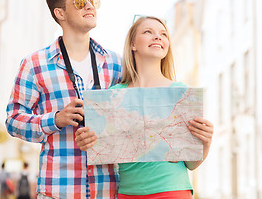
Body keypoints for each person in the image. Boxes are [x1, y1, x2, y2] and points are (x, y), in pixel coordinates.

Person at [6, 0, 122, 199]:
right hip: (57, 191)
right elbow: (13, 120)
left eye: (92, 1)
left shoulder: (116, 63)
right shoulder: (34, 64)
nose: (89, 6)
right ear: (60, 13)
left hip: (108, 190)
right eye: (79, 2)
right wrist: (55, 120)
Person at [75, 16, 214, 198]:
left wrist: (206, 142)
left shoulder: (182, 93)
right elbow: (101, 147)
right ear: (133, 44)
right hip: (128, 193)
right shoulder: (113, 96)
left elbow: (191, 164)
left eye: (163, 34)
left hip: (172, 192)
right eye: (148, 32)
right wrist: (86, 141)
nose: (158, 37)